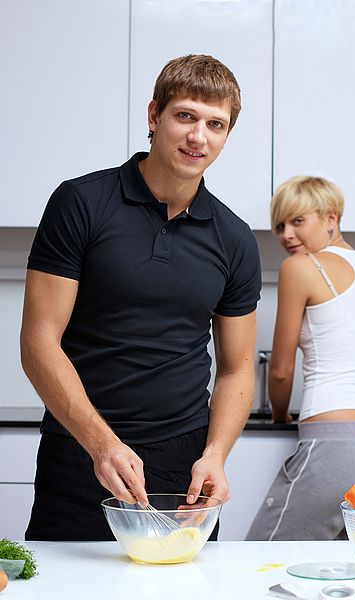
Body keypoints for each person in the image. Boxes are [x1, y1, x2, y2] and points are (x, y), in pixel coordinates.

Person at [20, 54, 262, 541]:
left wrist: (215, 454)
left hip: (183, 468)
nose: (199, 137)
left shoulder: (235, 239)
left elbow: (236, 368)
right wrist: (100, 444)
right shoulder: (81, 203)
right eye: (186, 116)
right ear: (154, 117)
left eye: (216, 124)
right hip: (80, 453)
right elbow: (39, 341)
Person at [245, 175, 355, 541]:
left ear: (331, 218)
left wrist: (281, 416)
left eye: (298, 221)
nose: (285, 234)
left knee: (263, 553)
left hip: (336, 443)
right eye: (280, 225)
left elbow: (281, 371)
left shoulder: (300, 267)